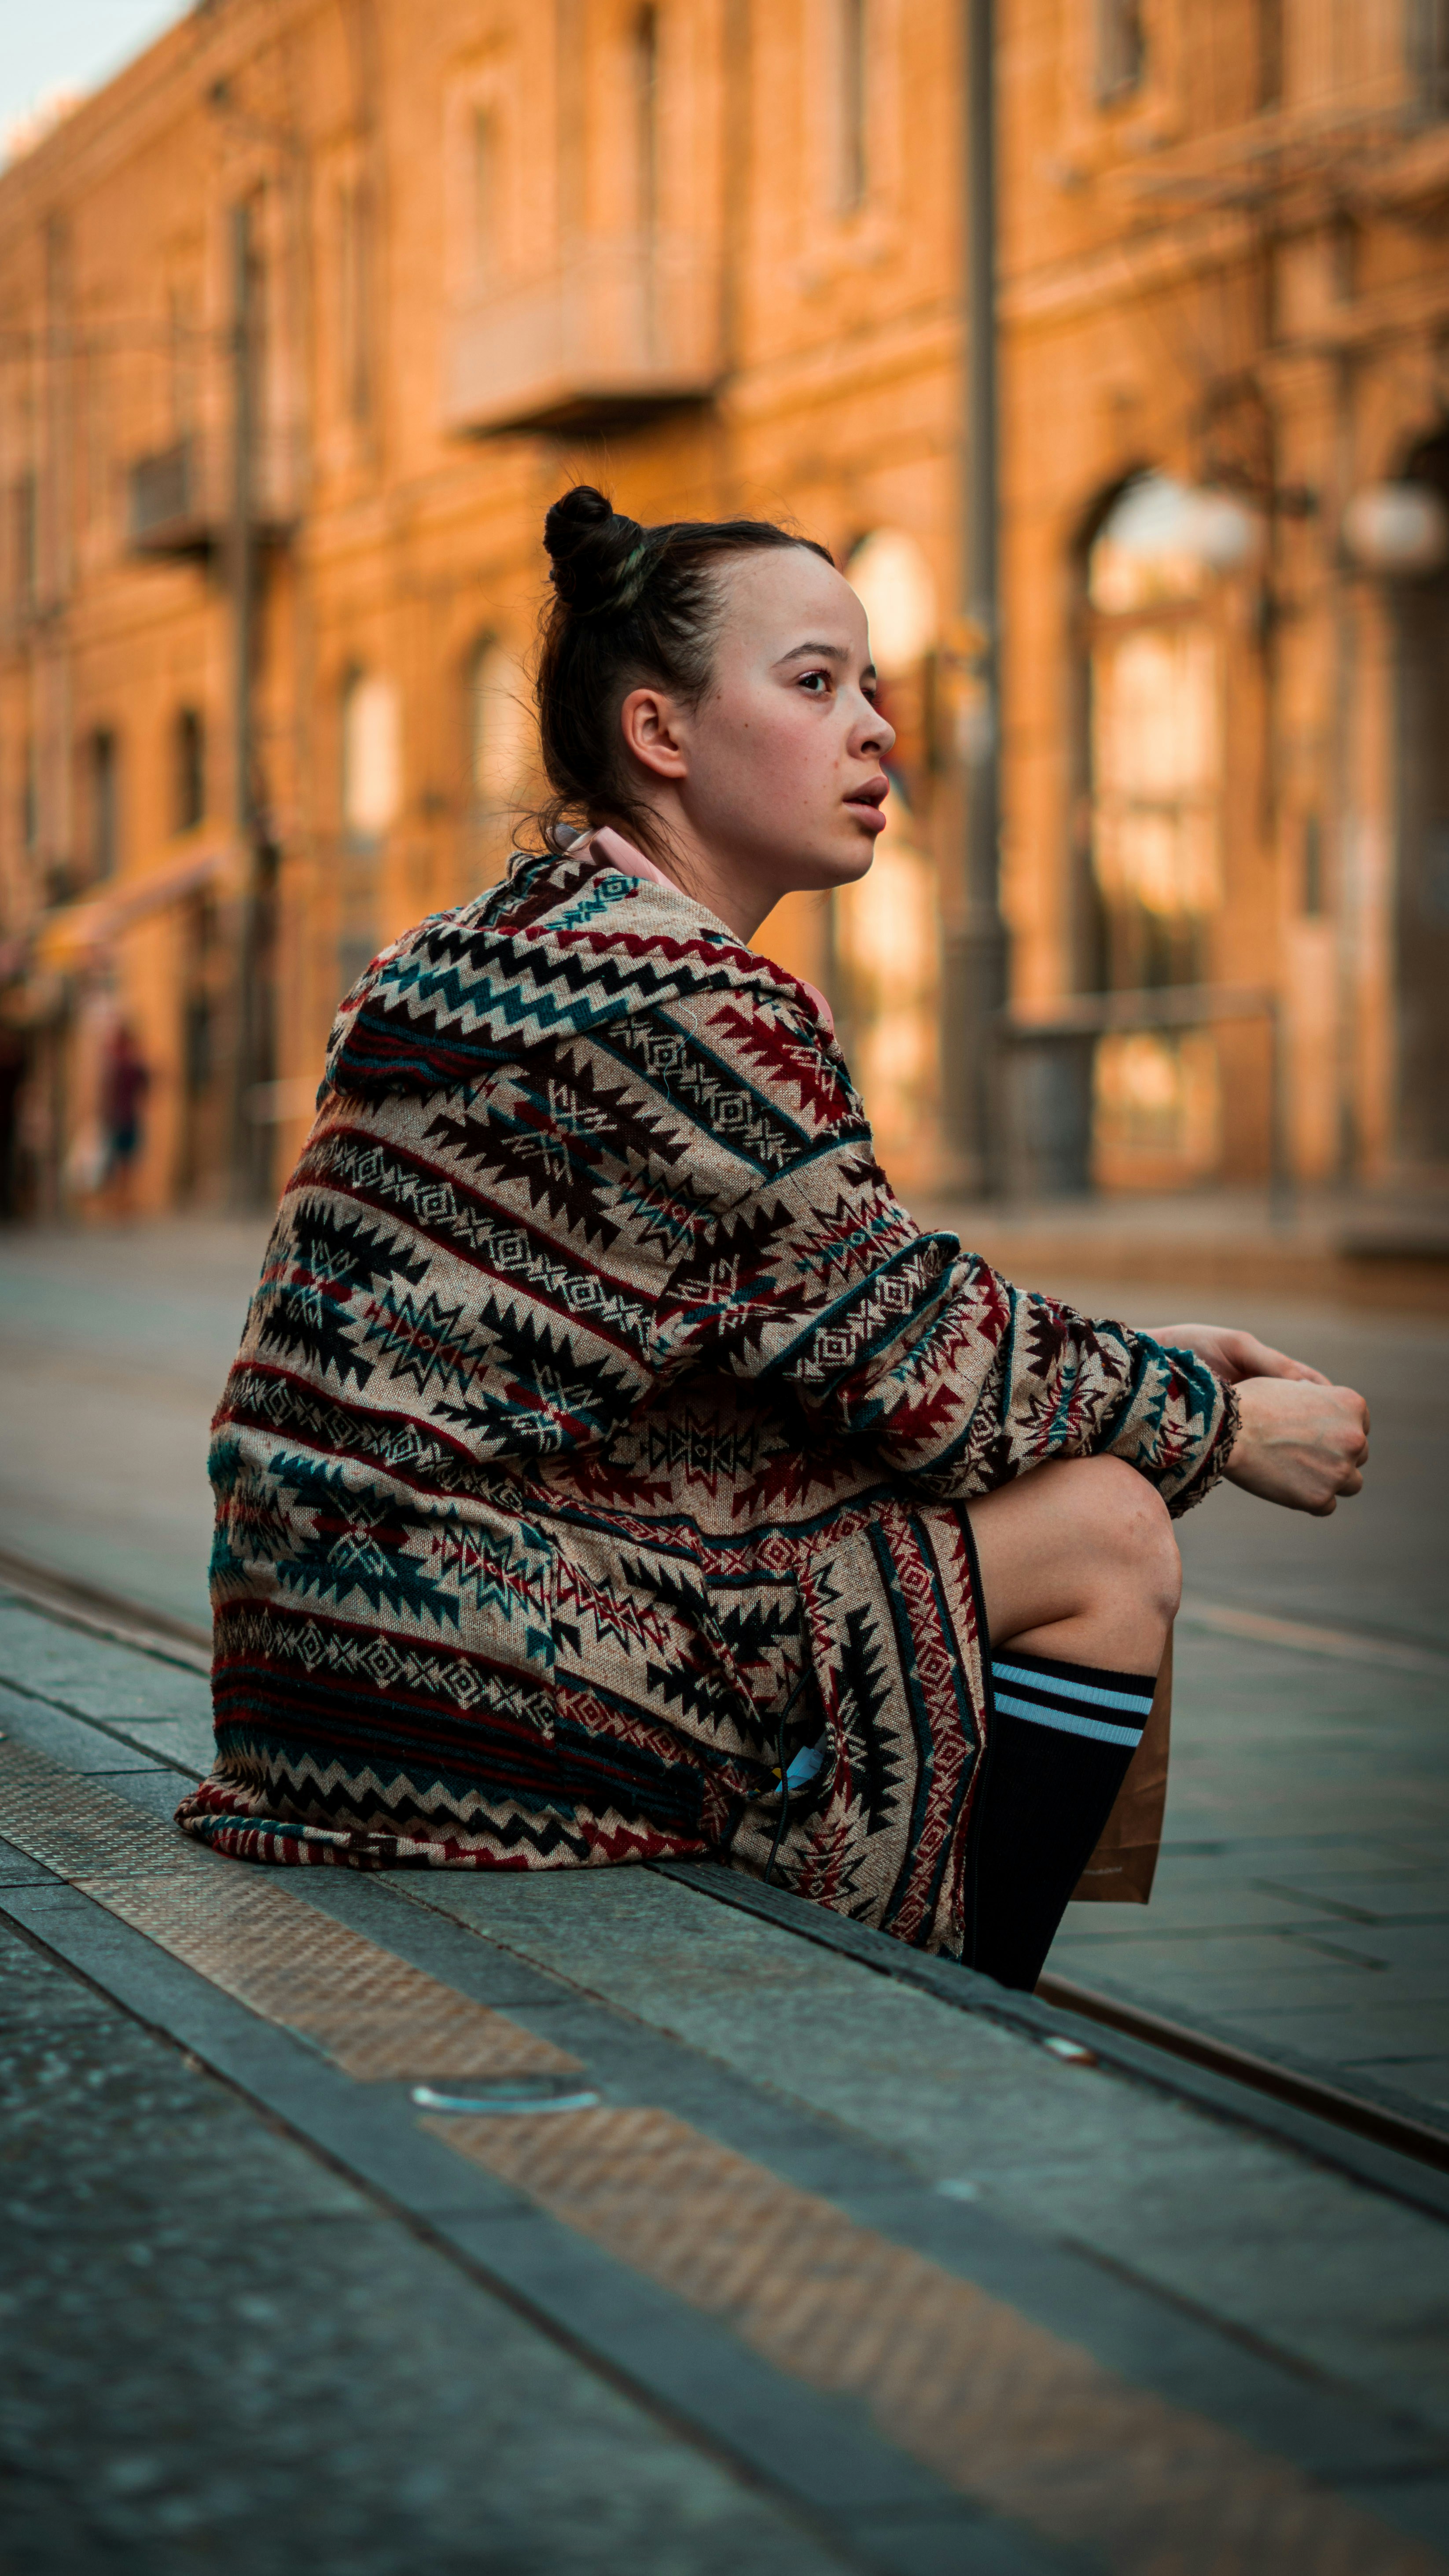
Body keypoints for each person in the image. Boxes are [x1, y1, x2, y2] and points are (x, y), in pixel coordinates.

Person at [177, 486, 1369, 1990]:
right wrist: (1220, 1424)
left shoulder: (475, 947)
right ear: (660, 730)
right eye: (814, 683)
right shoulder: (690, 998)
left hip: (317, 1667)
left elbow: (831, 1323)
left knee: (984, 1474)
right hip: (472, 1685)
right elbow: (931, 1368)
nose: (874, 728)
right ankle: (961, 2018)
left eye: (870, 683)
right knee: (1103, 1531)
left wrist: (1124, 1362)